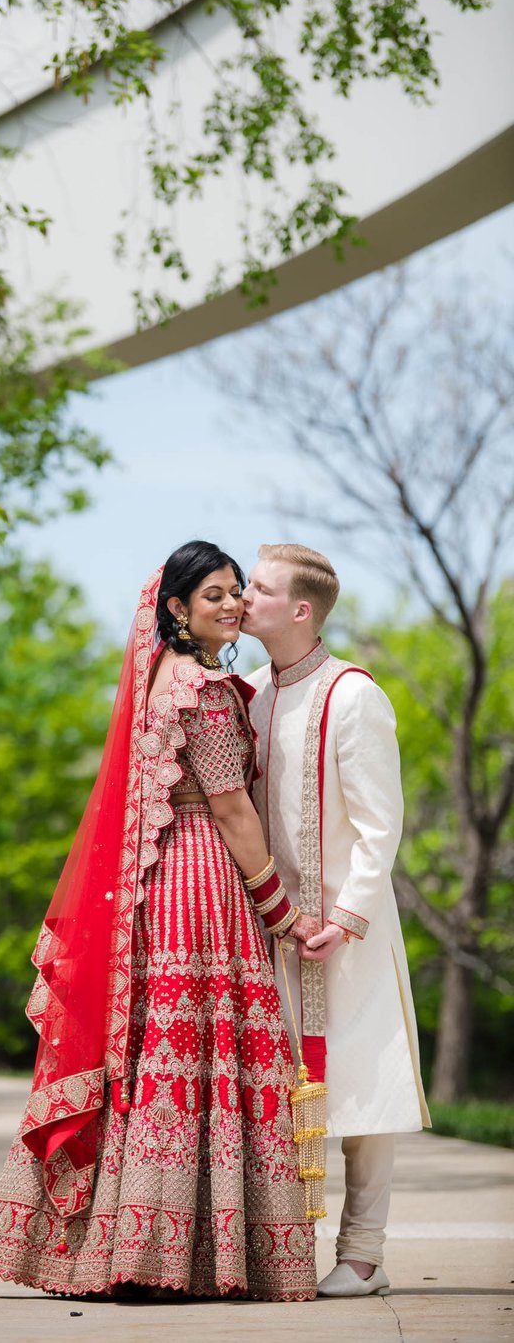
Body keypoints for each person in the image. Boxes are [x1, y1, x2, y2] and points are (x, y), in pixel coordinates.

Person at [0, 542, 318, 1301]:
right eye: (215, 596)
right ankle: (182, 1259)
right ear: (177, 610)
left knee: (152, 1058)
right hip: (201, 883)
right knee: (202, 1058)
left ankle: (123, 1250)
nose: (230, 606)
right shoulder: (209, 691)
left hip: (151, 885)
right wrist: (280, 910)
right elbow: (230, 808)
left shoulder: (157, 676)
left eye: (236, 593)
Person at [240, 543, 430, 1299]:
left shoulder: (353, 694)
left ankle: (364, 1254)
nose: (242, 597)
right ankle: (285, 1247)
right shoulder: (251, 691)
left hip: (347, 930)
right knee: (282, 1089)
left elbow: (384, 823)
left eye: (258, 587)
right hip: (272, 930)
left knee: (363, 1089)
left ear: (300, 610)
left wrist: (345, 918)